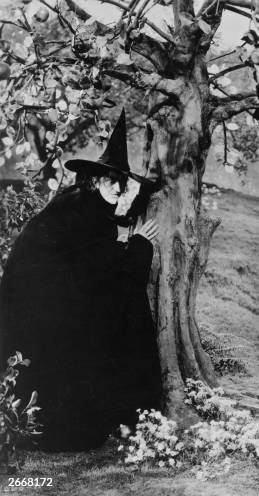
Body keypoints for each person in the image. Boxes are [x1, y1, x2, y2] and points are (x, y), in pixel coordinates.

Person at [0, 110, 162, 451]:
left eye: (122, 182)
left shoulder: (76, 207)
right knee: (117, 319)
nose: (120, 189)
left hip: (36, 310)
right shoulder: (85, 217)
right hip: (42, 314)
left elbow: (88, 262)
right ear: (93, 182)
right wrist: (140, 247)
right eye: (111, 181)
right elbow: (107, 276)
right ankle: (78, 425)